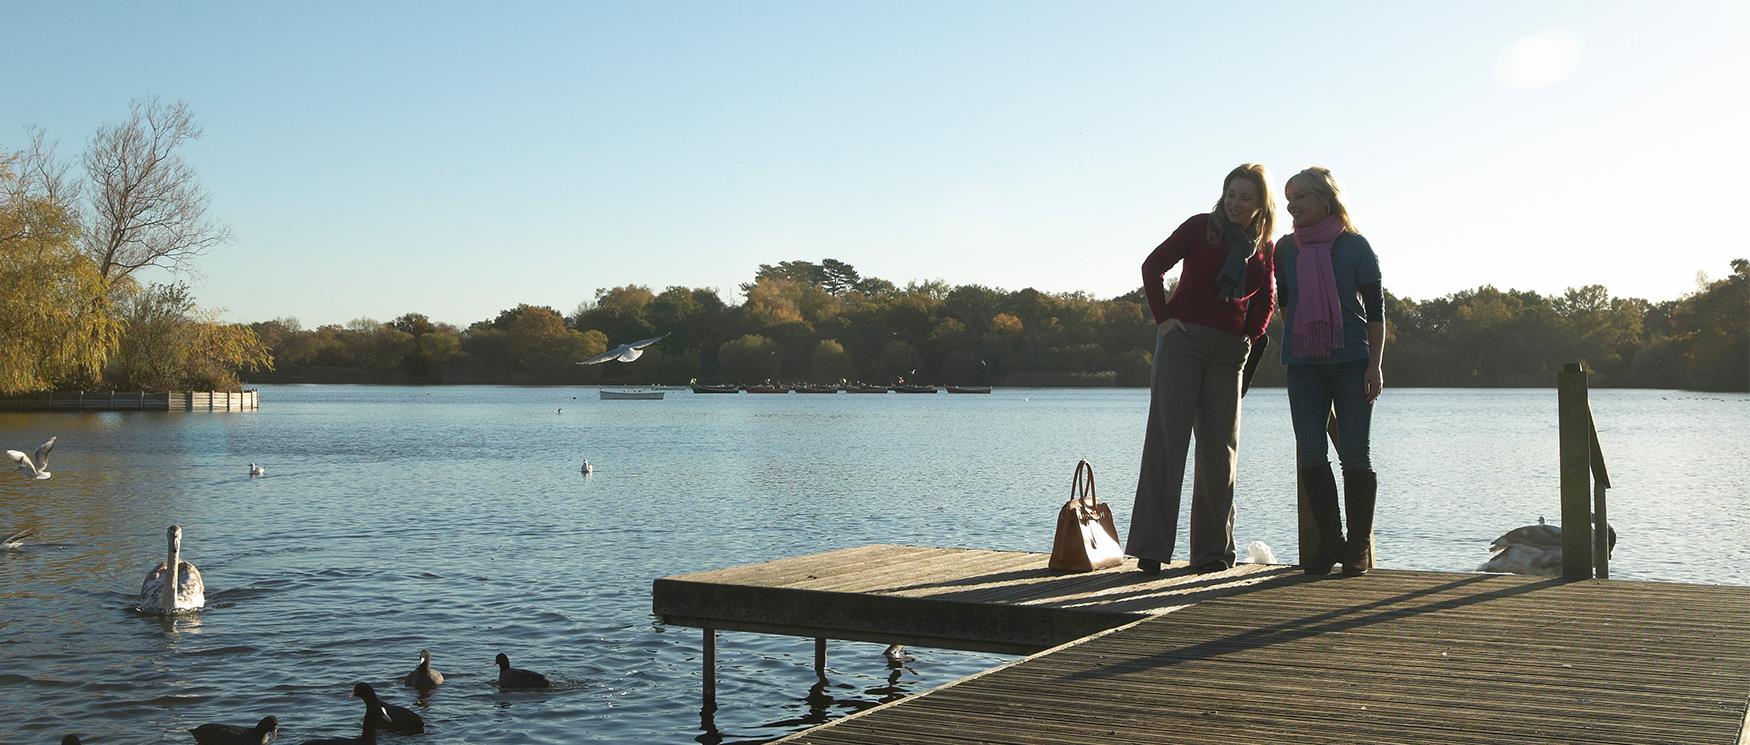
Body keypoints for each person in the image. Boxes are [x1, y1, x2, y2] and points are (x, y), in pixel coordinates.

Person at [1128, 164, 1276, 574]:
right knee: (1166, 445)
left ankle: (1211, 555)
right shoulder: (1199, 228)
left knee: (1219, 453)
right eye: (1231, 194)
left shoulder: (1264, 247)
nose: (1235, 203)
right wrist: (1163, 320)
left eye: (1245, 197)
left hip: (1228, 352)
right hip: (1182, 343)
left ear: (1260, 204)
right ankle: (1151, 551)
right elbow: (1152, 267)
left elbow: (1266, 299)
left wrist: (1249, 336)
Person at [1273, 167, 1384, 576]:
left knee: (1355, 452)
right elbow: (1285, 303)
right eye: (1288, 199)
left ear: (1325, 198)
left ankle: (1357, 548)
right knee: (1311, 452)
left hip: (1353, 361)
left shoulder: (1355, 246)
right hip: (1303, 366)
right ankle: (1330, 541)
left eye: (1299, 197)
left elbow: (1376, 311)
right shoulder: (1285, 249)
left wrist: (1375, 364)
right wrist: (1311, 336)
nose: (1292, 206)